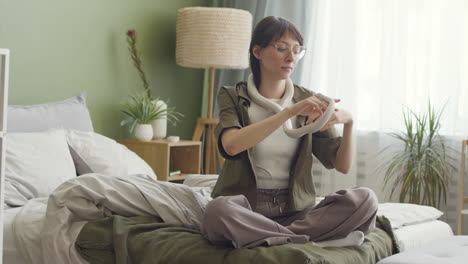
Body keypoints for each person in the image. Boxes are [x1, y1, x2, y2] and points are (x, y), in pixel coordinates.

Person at [202, 16, 378, 249]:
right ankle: (306, 240)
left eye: (297, 50)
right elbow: (231, 146)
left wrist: (349, 123)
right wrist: (288, 112)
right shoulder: (233, 95)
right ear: (258, 52)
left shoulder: (309, 99)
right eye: (281, 48)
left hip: (295, 211)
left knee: (365, 199)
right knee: (217, 212)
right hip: (246, 209)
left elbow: (342, 165)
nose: (291, 57)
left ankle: (278, 238)